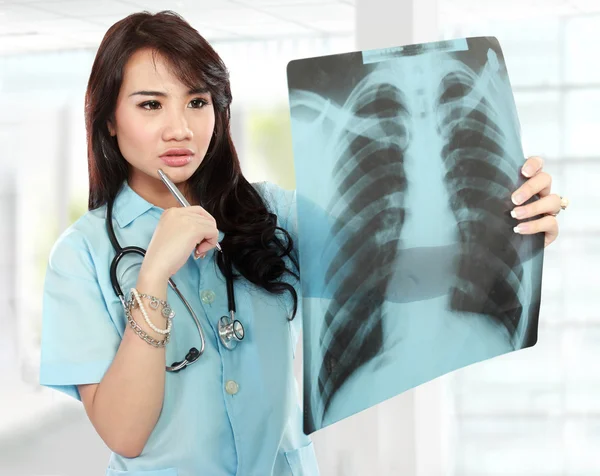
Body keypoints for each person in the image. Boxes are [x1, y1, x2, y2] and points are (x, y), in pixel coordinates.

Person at [38, 10, 568, 476]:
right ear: (109, 119)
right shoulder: (82, 256)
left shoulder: (272, 214)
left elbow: (398, 275)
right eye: (151, 105)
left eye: (196, 102)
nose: (180, 128)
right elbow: (124, 434)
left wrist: (514, 225)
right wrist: (152, 277)